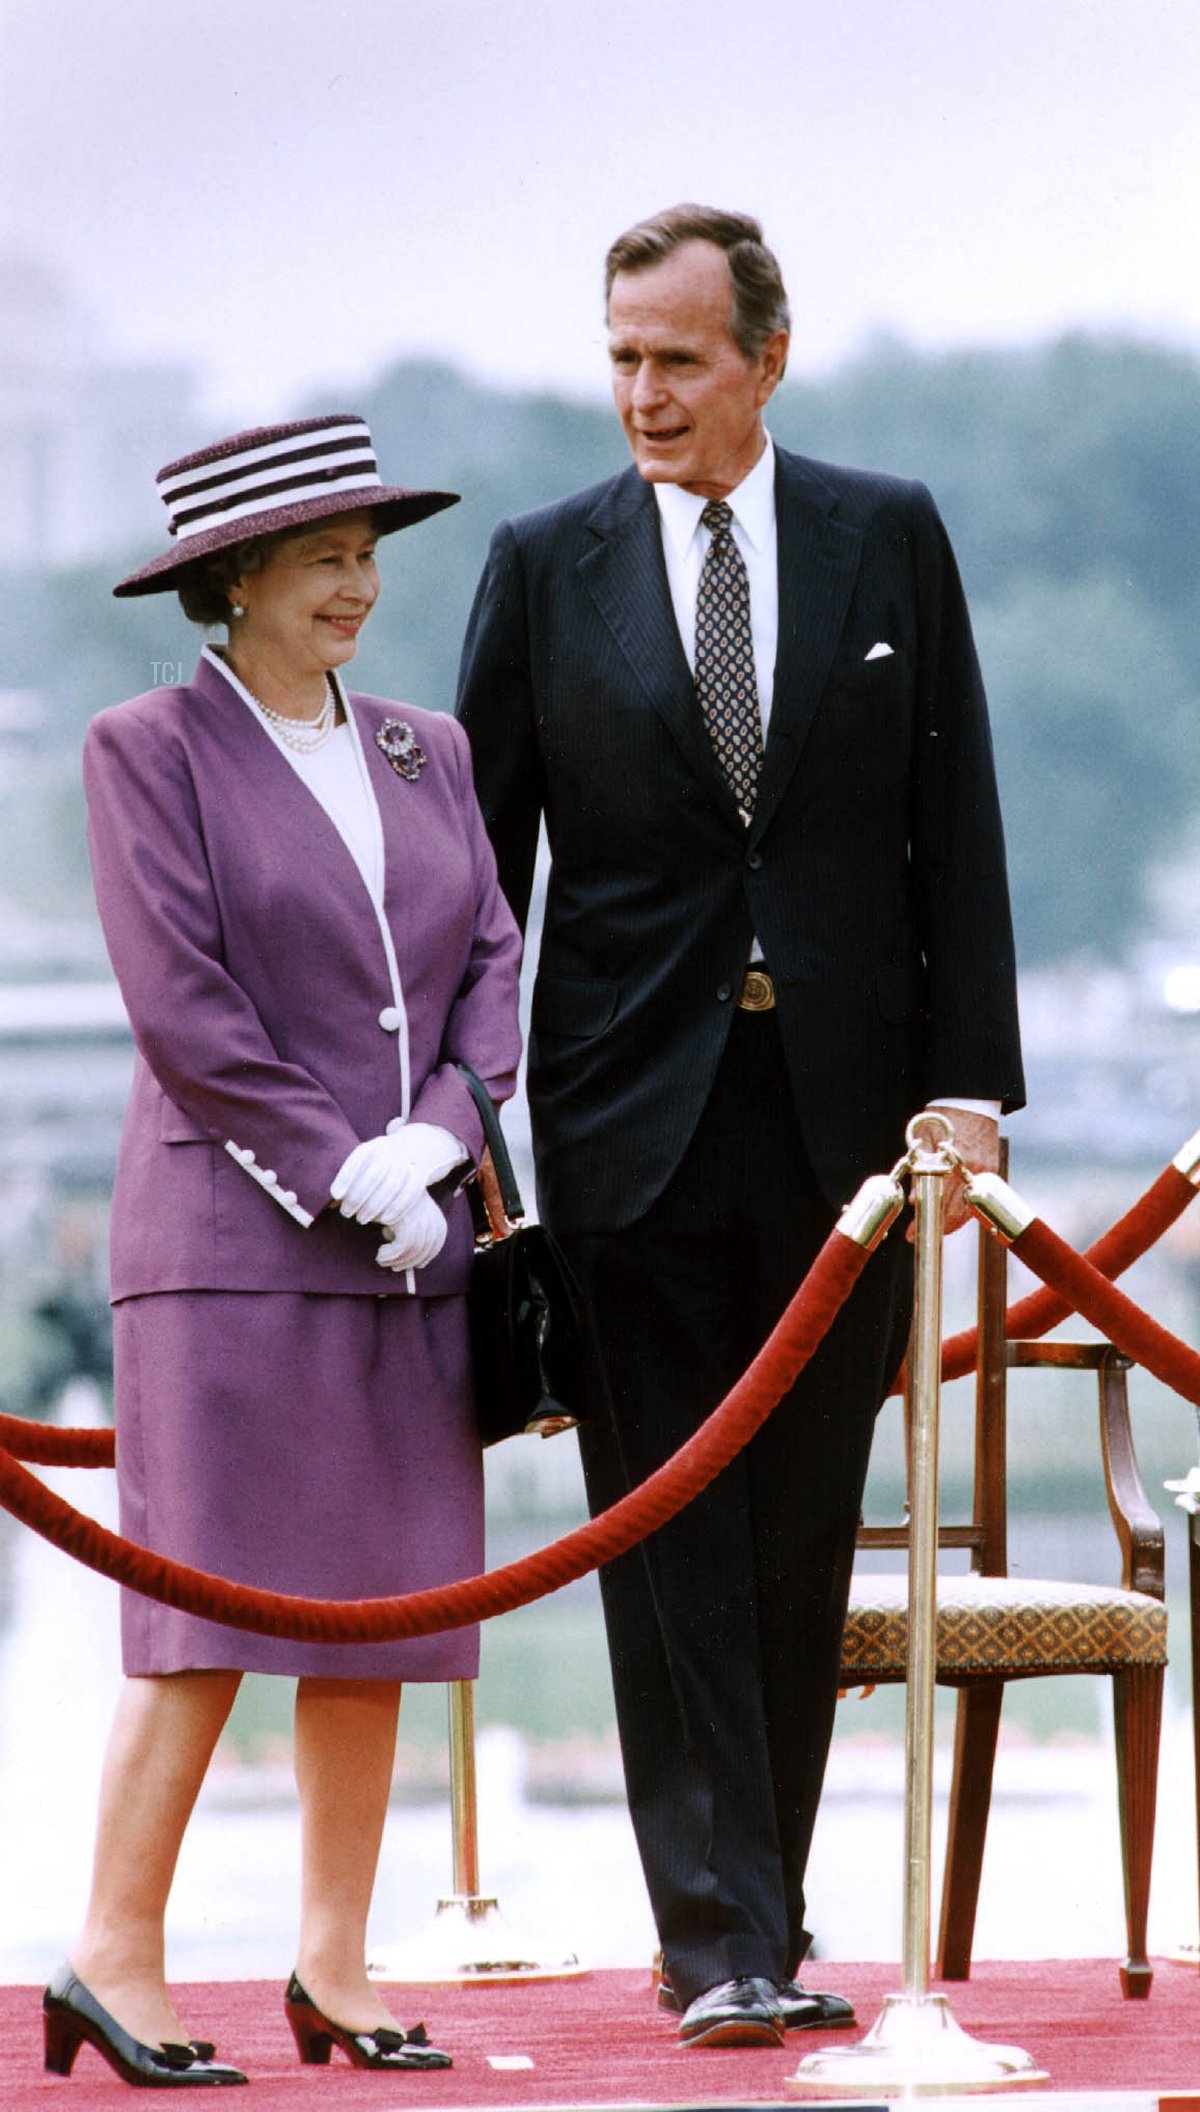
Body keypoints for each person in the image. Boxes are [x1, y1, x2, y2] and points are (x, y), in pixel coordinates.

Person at [457, 206, 1024, 2050]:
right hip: (625, 1127)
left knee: (796, 1530)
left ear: (766, 360)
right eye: (621, 355)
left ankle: (759, 1918)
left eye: (679, 358)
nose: (643, 392)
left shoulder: (889, 533)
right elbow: (479, 884)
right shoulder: (546, 568)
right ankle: (721, 1943)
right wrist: (471, 1131)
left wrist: (969, 1089)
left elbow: (960, 824)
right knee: (663, 1531)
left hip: (851, 1140)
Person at [45, 414, 522, 2087]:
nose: (359, 585)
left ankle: (334, 1966)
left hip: (415, 1247)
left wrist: (448, 1135)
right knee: (207, 1617)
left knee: (382, 1615)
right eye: (324, 556)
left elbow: (492, 963)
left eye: (368, 553)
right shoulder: (144, 749)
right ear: (231, 580)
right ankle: (114, 1958)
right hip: (232, 1248)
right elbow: (185, 1007)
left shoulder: (426, 750)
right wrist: (343, 1172)